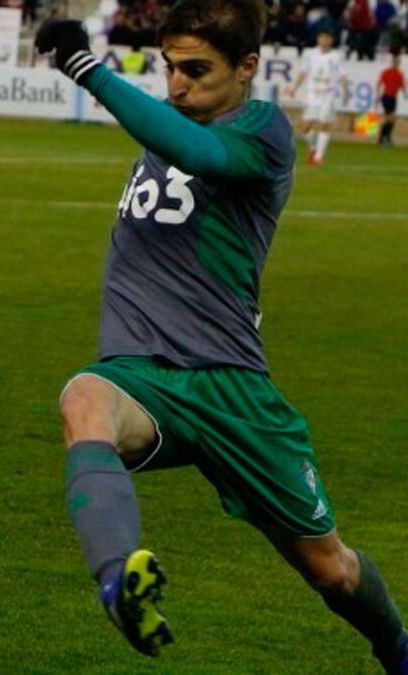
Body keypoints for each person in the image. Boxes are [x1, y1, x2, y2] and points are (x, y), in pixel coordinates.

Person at [36, 2, 408, 671]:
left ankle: (397, 646)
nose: (177, 86)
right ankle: (121, 581)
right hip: (145, 377)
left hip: (233, 386)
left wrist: (89, 68)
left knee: (331, 569)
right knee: (83, 400)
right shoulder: (172, 117)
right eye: (169, 67)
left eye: (197, 70)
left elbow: (200, 153)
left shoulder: (263, 131)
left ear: (247, 68)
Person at [287, 28, 350, 164]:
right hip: (312, 94)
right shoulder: (310, 54)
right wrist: (294, 88)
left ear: (331, 40)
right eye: (322, 37)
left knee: (324, 125)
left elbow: (343, 75)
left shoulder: (336, 56)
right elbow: (303, 72)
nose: (324, 40)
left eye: (327, 38)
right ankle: (313, 147)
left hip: (328, 94)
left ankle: (318, 157)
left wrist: (346, 93)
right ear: (318, 39)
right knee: (304, 126)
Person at [376, 54, 405, 147]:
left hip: (393, 98)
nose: (396, 64)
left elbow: (402, 85)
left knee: (392, 119)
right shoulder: (386, 72)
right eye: (394, 62)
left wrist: (405, 92)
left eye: (397, 63)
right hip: (386, 97)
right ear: (392, 63)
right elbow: (379, 83)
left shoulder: (400, 74)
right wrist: (377, 95)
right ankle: (383, 138)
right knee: (391, 118)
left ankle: (385, 138)